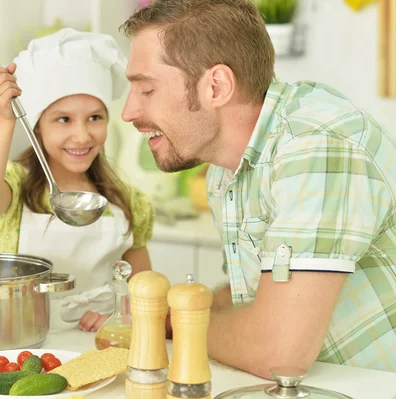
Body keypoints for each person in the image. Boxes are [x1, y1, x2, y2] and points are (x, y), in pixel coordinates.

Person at [120, 0, 396, 377]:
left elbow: (277, 352)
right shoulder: (228, 167)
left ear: (216, 86)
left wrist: (165, 320)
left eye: (146, 90)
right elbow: (252, 295)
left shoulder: (316, 147)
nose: (129, 111)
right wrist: (157, 306)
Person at [0, 28, 154, 333]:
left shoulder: (128, 201)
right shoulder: (16, 186)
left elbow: (143, 290)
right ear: (37, 126)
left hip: (100, 345)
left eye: (95, 117)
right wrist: (3, 118)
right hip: (23, 342)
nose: (82, 135)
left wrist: (127, 315)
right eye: (63, 119)